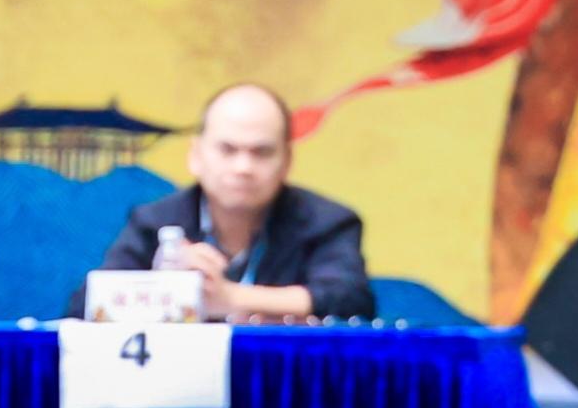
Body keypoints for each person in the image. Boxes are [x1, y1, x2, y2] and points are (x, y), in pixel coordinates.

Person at [94, 82, 376, 322]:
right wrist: (161, 287)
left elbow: (350, 301)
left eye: (262, 152)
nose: (243, 167)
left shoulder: (328, 223)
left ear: (287, 161)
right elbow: (88, 305)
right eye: (227, 150)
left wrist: (232, 297)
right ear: (196, 155)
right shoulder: (155, 222)